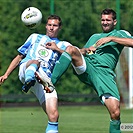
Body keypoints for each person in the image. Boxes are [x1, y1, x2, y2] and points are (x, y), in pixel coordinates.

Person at [45, 9, 132, 133]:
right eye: (103, 20)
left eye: (108, 20)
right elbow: (79, 52)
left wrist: (112, 39)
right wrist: (58, 49)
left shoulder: (120, 34)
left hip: (104, 75)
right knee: (71, 49)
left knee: (115, 113)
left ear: (114, 21)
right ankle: (49, 83)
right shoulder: (94, 37)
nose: (105, 22)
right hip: (88, 67)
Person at [0, 14, 72, 133]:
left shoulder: (64, 45)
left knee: (53, 115)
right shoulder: (34, 37)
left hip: (44, 80)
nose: (51, 28)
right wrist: (6, 74)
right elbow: (19, 57)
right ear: (45, 26)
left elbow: (77, 53)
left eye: (54, 25)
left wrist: (57, 49)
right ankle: (30, 78)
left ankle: (32, 80)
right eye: (49, 25)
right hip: (26, 68)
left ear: (60, 27)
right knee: (35, 62)